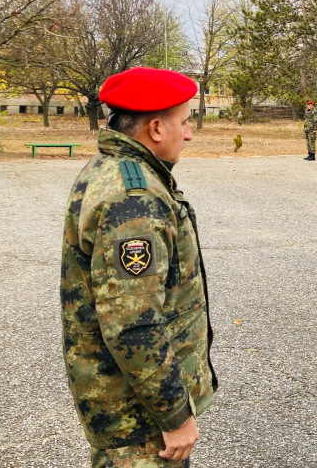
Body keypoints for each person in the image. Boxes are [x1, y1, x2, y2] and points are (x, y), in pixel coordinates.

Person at [62, 67, 217, 468]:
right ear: (155, 129)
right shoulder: (134, 199)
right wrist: (175, 415)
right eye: (184, 122)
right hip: (138, 419)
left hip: (126, 401)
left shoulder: (115, 168)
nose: (189, 133)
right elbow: (134, 324)